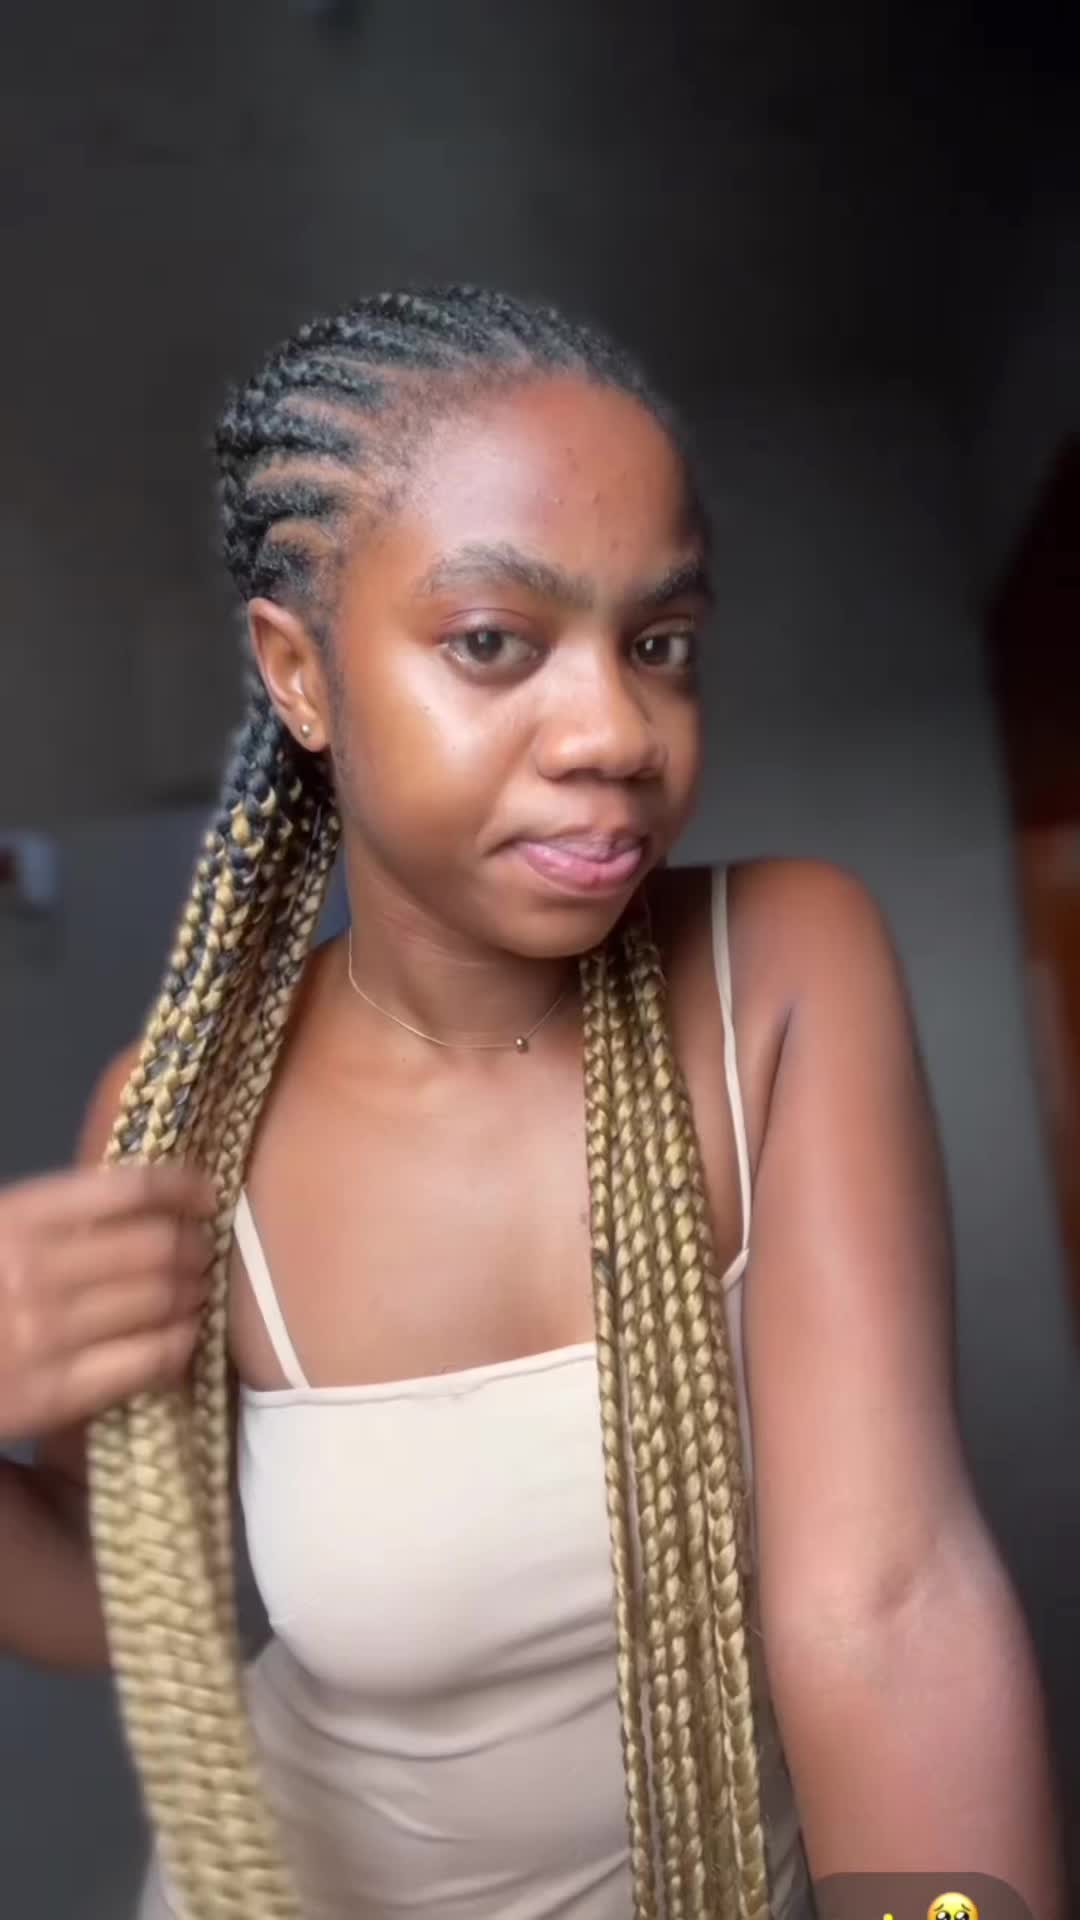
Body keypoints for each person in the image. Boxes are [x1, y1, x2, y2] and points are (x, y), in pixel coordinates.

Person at [0, 287, 1063, 1920]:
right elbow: (119, 1597)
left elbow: (889, 1605)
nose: (616, 732)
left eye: (661, 644)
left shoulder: (784, 973)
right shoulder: (176, 1124)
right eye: (493, 642)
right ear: (298, 673)